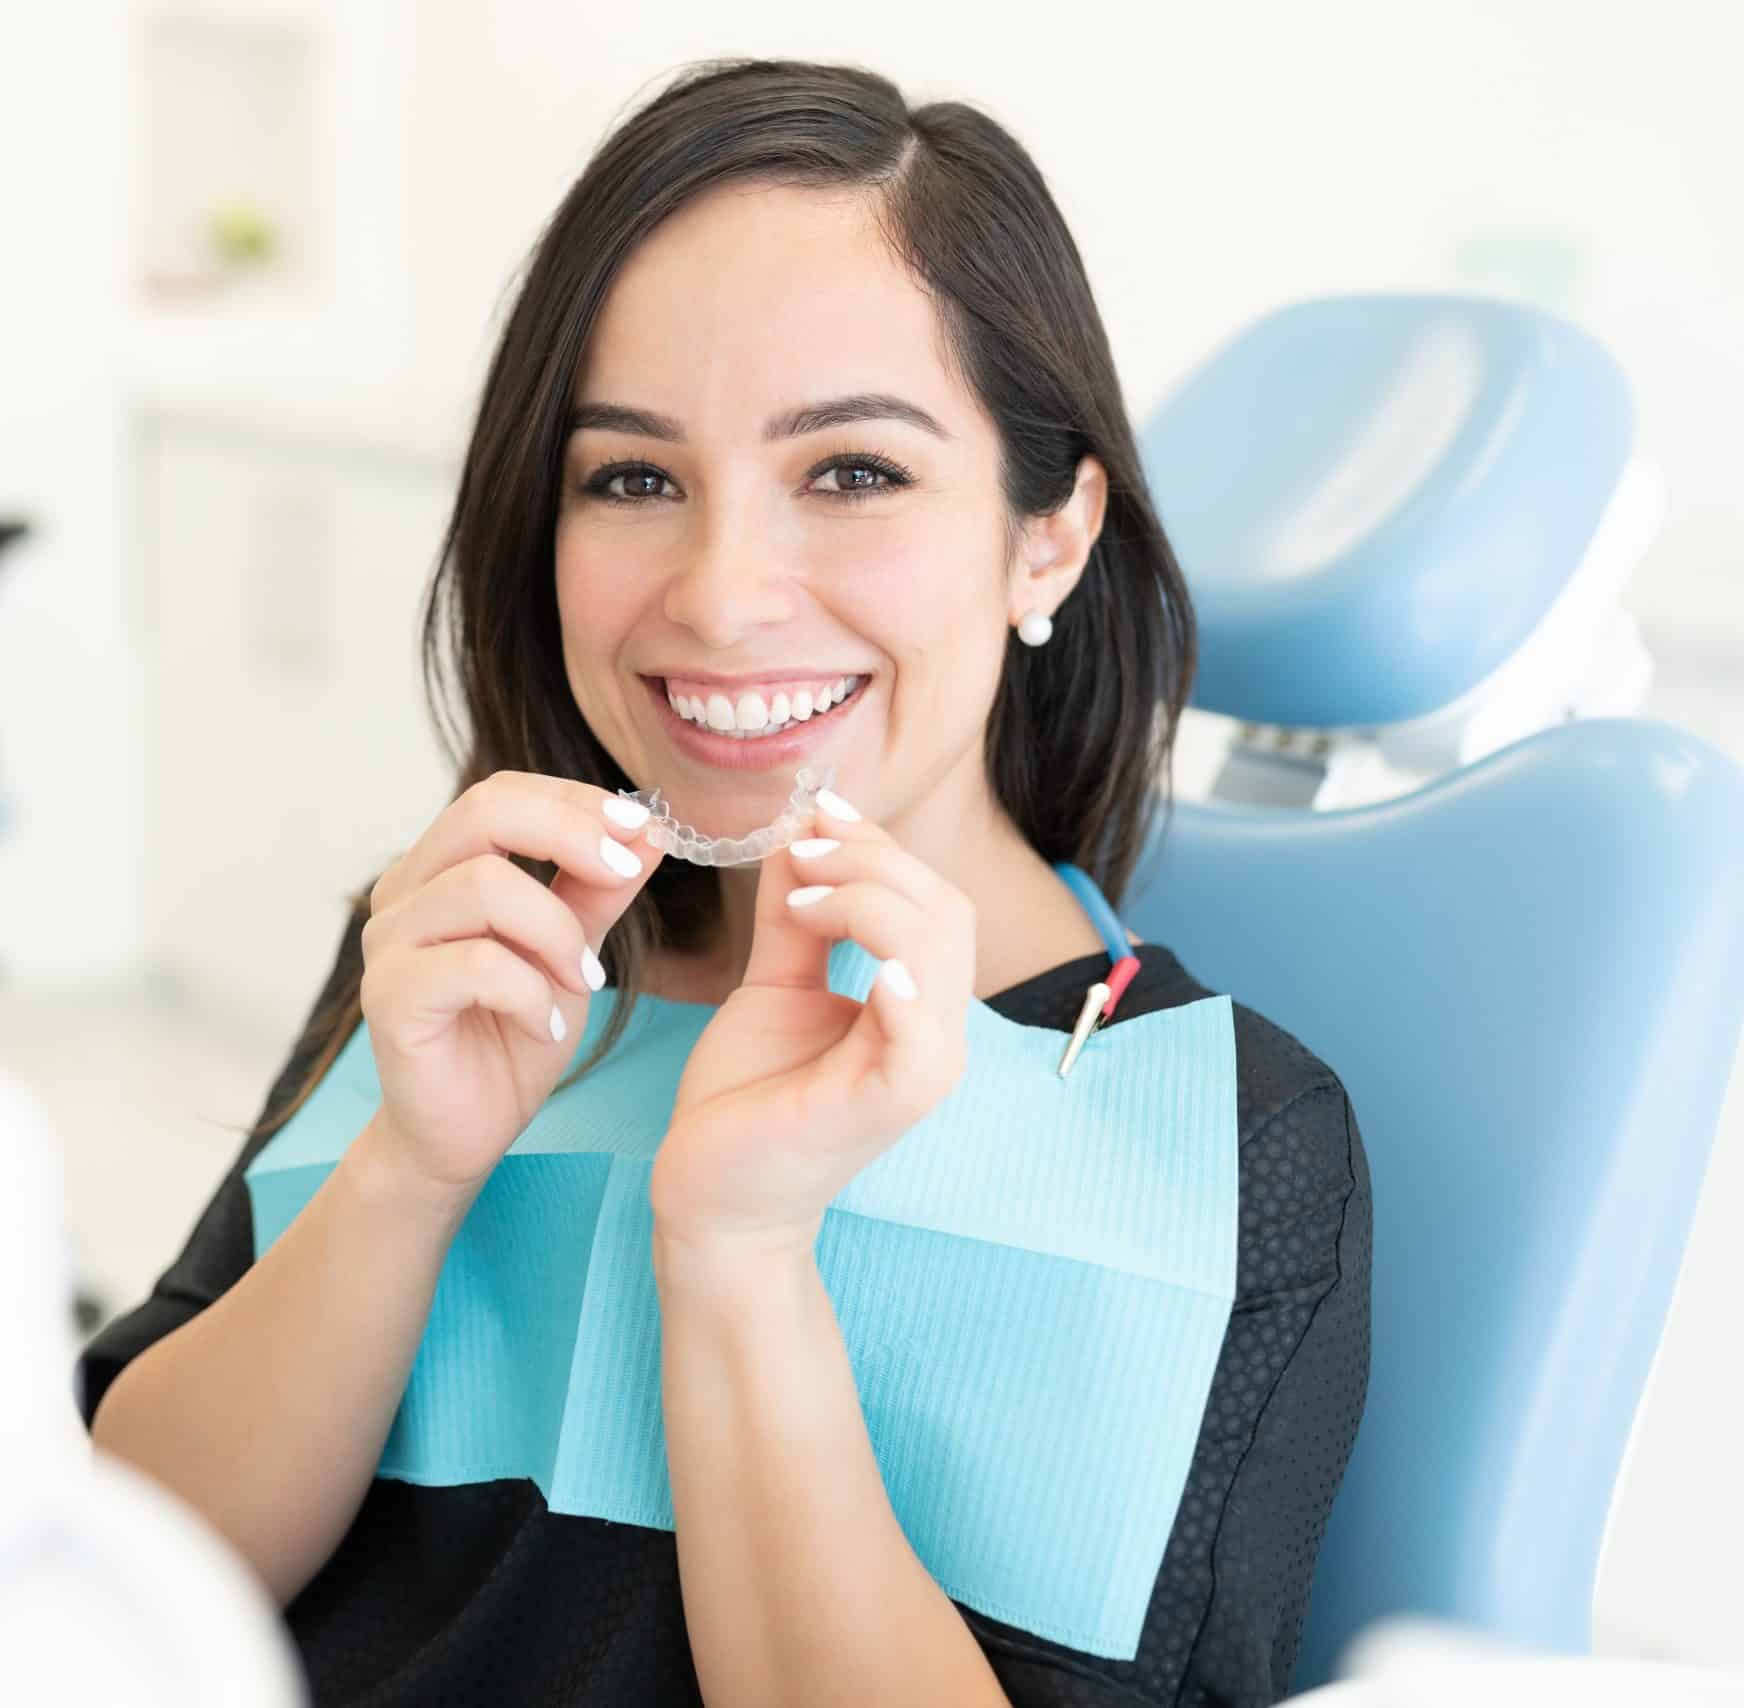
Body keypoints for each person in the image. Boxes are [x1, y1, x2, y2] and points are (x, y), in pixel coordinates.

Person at [80, 57, 1371, 1707]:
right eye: (632, 478)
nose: (722, 593)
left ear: (1047, 539)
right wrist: (410, 1169)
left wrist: (740, 1250)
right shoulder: (471, 951)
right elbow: (108, 1578)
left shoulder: (1228, 1136)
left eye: (852, 472)